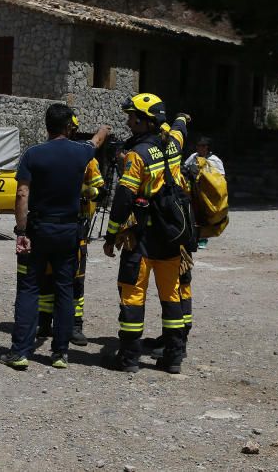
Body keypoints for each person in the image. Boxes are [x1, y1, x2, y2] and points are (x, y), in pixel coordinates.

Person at [1, 104, 110, 370]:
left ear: (47, 125)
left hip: (39, 230)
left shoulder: (33, 154)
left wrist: (21, 230)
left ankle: (20, 352)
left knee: (29, 289)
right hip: (69, 232)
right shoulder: (81, 152)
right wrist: (104, 129)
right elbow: (96, 141)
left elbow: (22, 195)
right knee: (65, 290)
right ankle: (60, 353)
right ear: (68, 126)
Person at [102, 93, 192, 374]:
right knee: (172, 297)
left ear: (145, 121)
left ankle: (128, 359)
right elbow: (180, 128)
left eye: (132, 116)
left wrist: (110, 235)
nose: (128, 120)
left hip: (142, 238)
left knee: (132, 295)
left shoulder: (137, 156)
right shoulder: (174, 145)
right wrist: (179, 118)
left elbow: (124, 197)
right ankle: (173, 358)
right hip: (173, 238)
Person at [35, 111, 106, 346]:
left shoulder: (87, 158)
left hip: (76, 226)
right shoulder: (46, 154)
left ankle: (75, 326)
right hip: (53, 224)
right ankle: (44, 322)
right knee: (46, 277)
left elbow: (99, 189)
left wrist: (84, 193)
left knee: (75, 279)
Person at [184, 136, 225, 249]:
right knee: (193, 213)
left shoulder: (214, 160)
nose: (199, 148)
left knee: (204, 215)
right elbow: (185, 167)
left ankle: (203, 238)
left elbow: (221, 177)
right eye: (198, 146)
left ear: (207, 148)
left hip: (207, 193)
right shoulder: (193, 156)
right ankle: (192, 237)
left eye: (202, 146)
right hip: (193, 190)